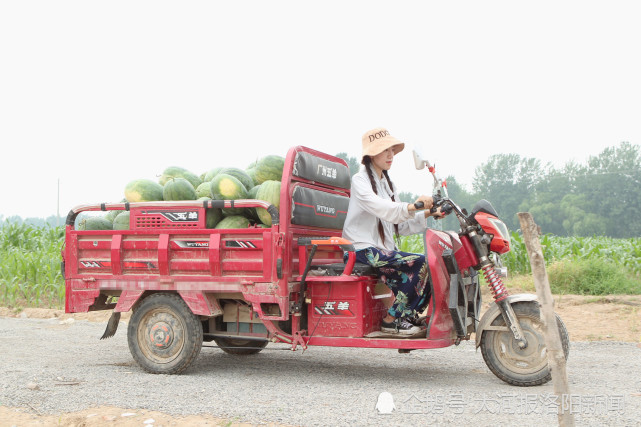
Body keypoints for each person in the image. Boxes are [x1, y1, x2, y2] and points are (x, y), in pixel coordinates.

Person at [342, 127, 445, 336]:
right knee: (421, 262)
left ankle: (406, 316)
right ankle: (391, 320)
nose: (390, 155)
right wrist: (414, 206)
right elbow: (383, 209)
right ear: (371, 154)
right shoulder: (360, 181)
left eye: (392, 150)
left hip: (381, 250)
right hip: (361, 250)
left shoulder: (388, 185)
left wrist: (428, 213)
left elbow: (399, 224)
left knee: (433, 266)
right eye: (384, 150)